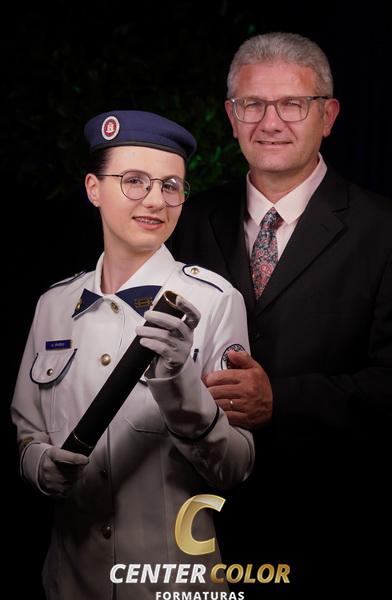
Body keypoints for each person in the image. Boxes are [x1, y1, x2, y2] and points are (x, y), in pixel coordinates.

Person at [170, 32, 392, 595]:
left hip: (332, 522)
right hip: (196, 520)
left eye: (292, 104)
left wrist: (282, 401)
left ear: (329, 116)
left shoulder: (388, 231)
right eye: (252, 104)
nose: (270, 122)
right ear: (232, 116)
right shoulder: (186, 221)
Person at [11, 110, 254, 599]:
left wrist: (179, 384)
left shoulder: (213, 301)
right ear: (93, 188)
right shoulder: (53, 306)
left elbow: (235, 466)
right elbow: (27, 435)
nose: (156, 200)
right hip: (70, 583)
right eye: (135, 181)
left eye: (171, 185)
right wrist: (41, 467)